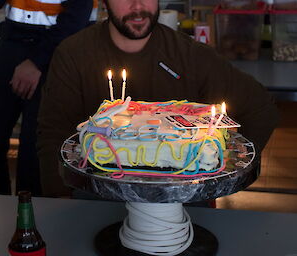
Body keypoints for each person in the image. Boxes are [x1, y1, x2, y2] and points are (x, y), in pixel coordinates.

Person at [37, 0, 279, 197]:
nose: (137, 5)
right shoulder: (74, 54)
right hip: (97, 203)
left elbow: (260, 108)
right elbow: (52, 135)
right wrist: (64, 200)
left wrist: (223, 170)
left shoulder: (189, 55)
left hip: (183, 209)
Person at [0, 0, 97, 195]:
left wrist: (36, 62)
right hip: (12, 44)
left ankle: (30, 217)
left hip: (55, 52)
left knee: (36, 151)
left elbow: (76, 17)